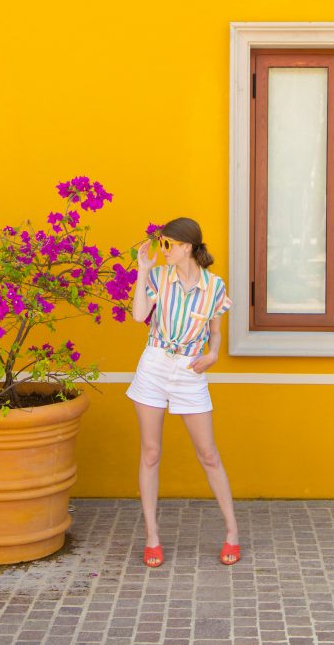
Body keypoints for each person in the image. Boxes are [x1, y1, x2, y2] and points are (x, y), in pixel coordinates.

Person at [127, 217, 240, 568]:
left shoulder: (214, 287)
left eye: (168, 245)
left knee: (208, 454)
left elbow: (216, 332)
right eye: (163, 244)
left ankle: (233, 532)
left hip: (190, 370)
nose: (163, 250)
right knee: (150, 452)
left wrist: (213, 354)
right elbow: (138, 316)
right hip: (155, 364)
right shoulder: (160, 277)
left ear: (186, 247)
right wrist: (143, 271)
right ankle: (152, 536)